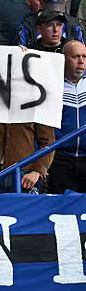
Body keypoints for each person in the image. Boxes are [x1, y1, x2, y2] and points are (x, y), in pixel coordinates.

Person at [49, 41, 86, 193]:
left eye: (84, 56)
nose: (81, 61)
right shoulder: (52, 84)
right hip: (61, 157)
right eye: (76, 56)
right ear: (64, 58)